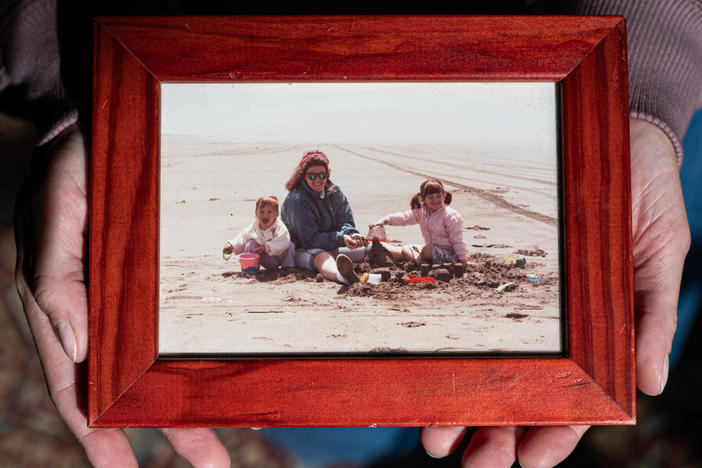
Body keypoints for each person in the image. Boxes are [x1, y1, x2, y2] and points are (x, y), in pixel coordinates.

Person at [5, 1, 700, 467]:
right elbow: (311, 237)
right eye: (310, 174)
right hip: (305, 247)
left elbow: (360, 222)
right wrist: (74, 79)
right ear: (299, 173)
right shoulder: (290, 202)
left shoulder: (351, 198)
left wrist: (644, 76)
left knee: (391, 261)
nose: (315, 181)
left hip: (583, 66)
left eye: (320, 174)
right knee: (328, 410)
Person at [279, 150, 370, 284]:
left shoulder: (335, 192)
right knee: (322, 257)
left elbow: (346, 220)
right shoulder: (297, 200)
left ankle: (409, 253)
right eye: (312, 176)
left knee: (372, 248)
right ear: (304, 176)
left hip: (333, 244)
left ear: (328, 174)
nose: (317, 180)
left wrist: (351, 235)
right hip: (303, 250)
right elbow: (308, 240)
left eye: (322, 175)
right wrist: (341, 238)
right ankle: (342, 276)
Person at [371, 178, 467, 265]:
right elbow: (404, 217)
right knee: (407, 249)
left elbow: (458, 240)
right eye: (431, 197)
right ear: (423, 199)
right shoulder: (422, 212)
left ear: (444, 195)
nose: (435, 200)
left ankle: (422, 262)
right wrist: (385, 220)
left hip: (450, 254)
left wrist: (463, 260)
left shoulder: (450, 215)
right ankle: (421, 262)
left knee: (426, 250)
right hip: (432, 250)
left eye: (438, 196)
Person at [222, 195, 295, 270]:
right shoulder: (254, 227)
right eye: (261, 212)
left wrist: (267, 247)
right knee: (250, 243)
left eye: (269, 212)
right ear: (256, 213)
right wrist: (231, 245)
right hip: (261, 258)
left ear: (276, 214)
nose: (265, 215)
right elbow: (242, 238)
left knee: (290, 245)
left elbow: (283, 240)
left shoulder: (279, 227)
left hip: (277, 256)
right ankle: (251, 267)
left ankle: (287, 266)